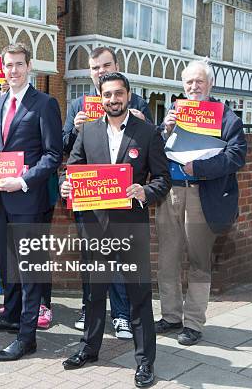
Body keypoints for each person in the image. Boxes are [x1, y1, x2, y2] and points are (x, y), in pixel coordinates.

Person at [60, 72, 171, 388]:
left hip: (130, 226)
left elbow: (163, 180)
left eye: (118, 93)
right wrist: (65, 185)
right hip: (95, 226)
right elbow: (72, 170)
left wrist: (144, 192)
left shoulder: (147, 133)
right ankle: (89, 348)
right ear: (101, 96)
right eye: (107, 94)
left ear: (128, 95)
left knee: (138, 296)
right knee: (94, 293)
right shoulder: (88, 131)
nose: (113, 99)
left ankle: (145, 362)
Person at [0, 43, 63, 361]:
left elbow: (53, 155)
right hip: (0, 200)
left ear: (29, 66)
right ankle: (10, 316)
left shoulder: (45, 104)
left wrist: (23, 180)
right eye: (8, 65)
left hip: (28, 200)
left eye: (19, 64)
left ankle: (27, 338)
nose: (13, 70)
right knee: (7, 265)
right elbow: (3, 152)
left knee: (28, 270)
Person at [154, 60, 247, 346]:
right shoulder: (175, 112)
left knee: (198, 261)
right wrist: (164, 130)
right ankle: (170, 316)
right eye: (189, 83)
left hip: (201, 194)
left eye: (199, 82)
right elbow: (155, 150)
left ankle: (193, 322)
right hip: (171, 193)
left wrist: (201, 168)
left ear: (210, 84)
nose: (193, 87)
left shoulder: (226, 117)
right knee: (167, 257)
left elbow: (237, 155)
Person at [63, 46, 153, 337]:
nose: (100, 71)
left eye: (105, 65)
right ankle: (91, 309)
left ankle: (122, 314)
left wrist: (141, 121)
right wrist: (76, 129)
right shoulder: (78, 105)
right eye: (94, 67)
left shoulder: (135, 100)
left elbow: (153, 147)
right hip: (91, 200)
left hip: (124, 204)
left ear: (116, 66)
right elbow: (66, 148)